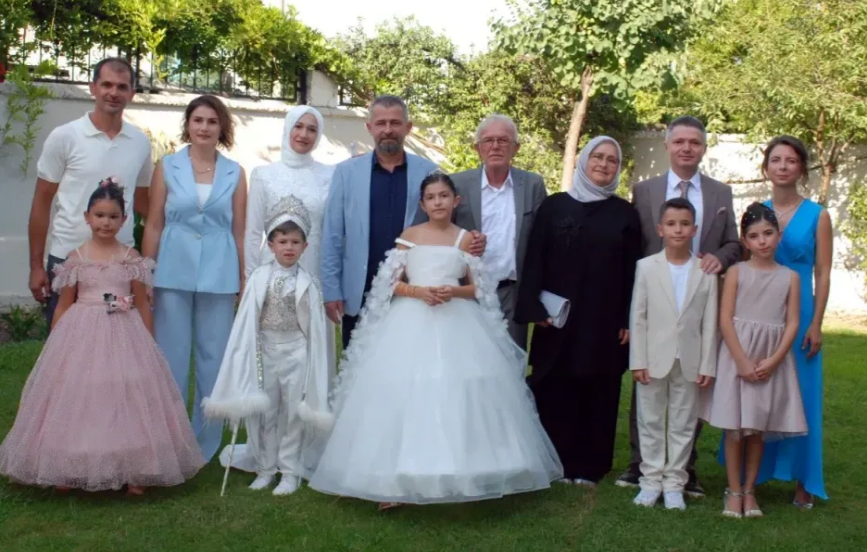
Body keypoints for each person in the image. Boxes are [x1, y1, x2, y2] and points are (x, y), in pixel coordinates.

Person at [308, 172, 562, 509]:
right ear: (423, 204)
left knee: (459, 387)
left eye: (444, 196)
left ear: (456, 201)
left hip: (458, 322)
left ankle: (465, 471)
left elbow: (477, 288)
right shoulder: (410, 236)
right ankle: (391, 478)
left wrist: (453, 291)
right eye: (431, 197)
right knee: (404, 388)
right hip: (410, 320)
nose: (438, 202)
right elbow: (391, 282)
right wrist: (418, 291)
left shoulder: (465, 239)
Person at [0, 181, 204, 494]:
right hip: (81, 332)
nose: (105, 222)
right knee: (81, 390)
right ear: (87, 217)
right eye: (99, 215)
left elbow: (142, 303)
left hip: (124, 331)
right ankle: (67, 465)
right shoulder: (76, 258)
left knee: (126, 390)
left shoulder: (131, 258)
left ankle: (137, 467)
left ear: (124, 220)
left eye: (112, 216)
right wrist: (56, 344)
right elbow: (64, 304)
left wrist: (148, 340)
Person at [620, 116, 741, 496]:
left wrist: (719, 258)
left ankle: (684, 469)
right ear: (667, 146)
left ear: (703, 147)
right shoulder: (645, 190)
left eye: (695, 142)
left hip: (697, 298)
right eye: (679, 142)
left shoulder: (720, 193)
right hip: (654, 298)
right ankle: (641, 466)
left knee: (690, 391)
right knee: (649, 388)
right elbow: (633, 245)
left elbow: (734, 242)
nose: (687, 148)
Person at [515, 136, 641, 487]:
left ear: (618, 168)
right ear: (583, 161)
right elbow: (534, 256)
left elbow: (633, 271)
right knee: (555, 386)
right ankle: (554, 462)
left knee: (598, 387)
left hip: (603, 317)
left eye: (612, 160)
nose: (603, 164)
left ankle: (589, 466)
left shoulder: (625, 214)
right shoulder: (554, 206)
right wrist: (533, 307)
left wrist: (628, 319)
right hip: (557, 317)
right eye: (597, 157)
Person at [320, 95, 484, 349]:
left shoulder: (429, 171)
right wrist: (331, 290)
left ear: (408, 127)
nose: (388, 130)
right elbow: (332, 234)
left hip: (415, 295)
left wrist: (474, 240)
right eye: (381, 123)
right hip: (359, 288)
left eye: (395, 123)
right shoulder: (346, 172)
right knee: (359, 362)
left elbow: (448, 221)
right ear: (370, 127)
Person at [142, 94, 247, 462]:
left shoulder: (235, 172)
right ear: (188, 125)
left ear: (222, 128)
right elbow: (154, 223)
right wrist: (146, 272)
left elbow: (239, 230)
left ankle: (204, 442)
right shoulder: (167, 167)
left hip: (219, 274)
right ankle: (168, 438)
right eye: (198, 120)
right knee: (170, 356)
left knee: (212, 359)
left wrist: (242, 276)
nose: (204, 127)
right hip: (172, 271)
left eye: (212, 121)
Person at [204, 195, 332, 496]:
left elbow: (314, 327)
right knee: (265, 410)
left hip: (296, 351)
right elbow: (247, 318)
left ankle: (289, 471)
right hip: (265, 350)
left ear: (305, 246)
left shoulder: (309, 283)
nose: (289, 247)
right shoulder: (259, 278)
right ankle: (265, 467)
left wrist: (310, 355)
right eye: (282, 241)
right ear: (271, 244)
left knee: (292, 411)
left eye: (295, 242)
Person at [28, 57, 153, 330]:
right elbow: (41, 202)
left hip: (119, 267)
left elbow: (145, 205)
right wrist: (36, 266)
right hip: (68, 261)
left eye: (122, 87)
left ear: (132, 93)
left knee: (114, 343)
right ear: (93, 87)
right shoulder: (65, 137)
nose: (113, 92)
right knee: (65, 343)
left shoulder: (140, 143)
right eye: (106, 84)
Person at [702, 203, 807, 518]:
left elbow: (792, 322)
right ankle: (733, 490)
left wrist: (774, 360)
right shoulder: (736, 272)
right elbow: (725, 319)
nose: (762, 241)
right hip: (738, 356)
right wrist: (742, 361)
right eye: (754, 236)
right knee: (734, 429)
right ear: (744, 241)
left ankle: (750, 490)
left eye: (768, 233)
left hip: (770, 358)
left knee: (757, 428)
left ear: (779, 235)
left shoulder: (790, 277)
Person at [413, 114, 546, 348]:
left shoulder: (532, 185)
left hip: (511, 292)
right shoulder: (456, 184)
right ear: (477, 148)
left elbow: (542, 240)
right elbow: (428, 230)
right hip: (463, 291)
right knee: (466, 357)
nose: (495, 146)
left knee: (510, 359)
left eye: (503, 140)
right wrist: (462, 241)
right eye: (488, 140)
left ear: (515, 148)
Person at [750, 136, 831, 507]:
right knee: (759, 388)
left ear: (801, 168)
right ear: (766, 167)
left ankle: (804, 478)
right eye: (776, 160)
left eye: (791, 160)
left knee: (802, 393)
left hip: (802, 313)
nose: (783, 166)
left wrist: (817, 323)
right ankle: (755, 473)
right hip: (762, 312)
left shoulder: (818, 215)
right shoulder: (756, 211)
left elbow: (823, 272)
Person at [630, 198, 718, 511]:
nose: (678, 230)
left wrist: (708, 364)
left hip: (690, 359)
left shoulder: (706, 271)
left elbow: (709, 322)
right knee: (650, 421)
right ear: (660, 229)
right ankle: (650, 481)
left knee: (683, 423)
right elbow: (638, 316)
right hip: (653, 357)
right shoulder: (646, 267)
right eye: (671, 224)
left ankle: (674, 484)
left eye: (684, 224)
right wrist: (638, 359)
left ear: (694, 229)